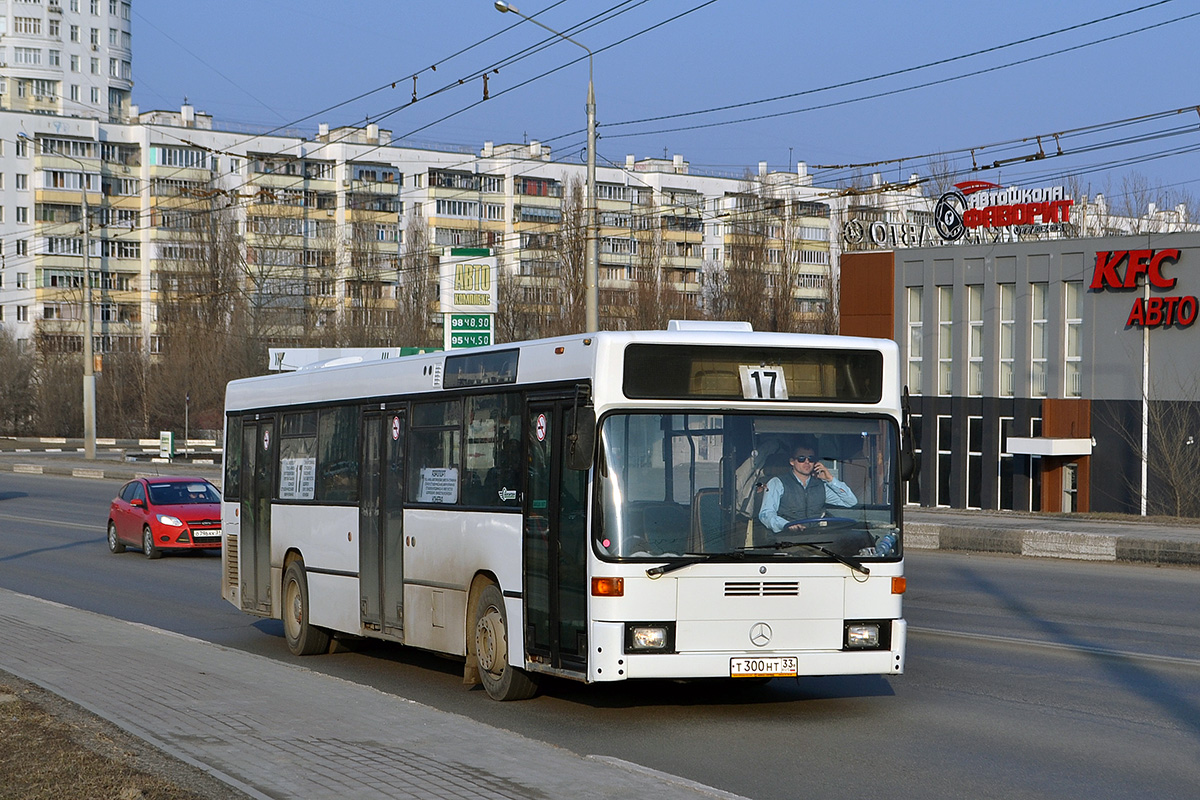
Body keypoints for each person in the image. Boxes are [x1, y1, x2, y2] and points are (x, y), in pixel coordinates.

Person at [758, 438, 857, 534]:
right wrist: (786, 525)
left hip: (816, 539)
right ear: (792, 461)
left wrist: (830, 479)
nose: (807, 462)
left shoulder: (821, 486)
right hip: (786, 539)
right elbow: (766, 514)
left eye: (811, 458)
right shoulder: (777, 483)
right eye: (801, 458)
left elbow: (850, 501)